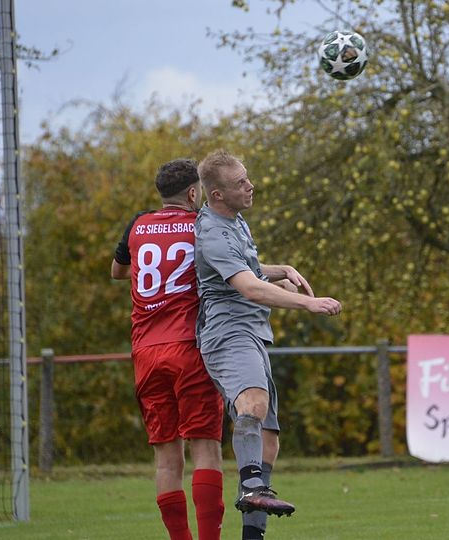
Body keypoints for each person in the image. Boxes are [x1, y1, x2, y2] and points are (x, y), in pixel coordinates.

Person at [193, 149, 342, 540]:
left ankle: (252, 529)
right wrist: (308, 303)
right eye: (240, 182)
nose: (251, 185)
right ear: (217, 195)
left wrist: (282, 270)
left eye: (247, 177)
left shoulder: (234, 219)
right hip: (228, 332)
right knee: (253, 403)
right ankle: (251, 488)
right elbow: (250, 287)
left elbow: (250, 269)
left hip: (253, 333)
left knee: (268, 441)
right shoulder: (213, 232)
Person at [111, 159, 225, 540]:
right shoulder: (201, 225)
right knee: (205, 448)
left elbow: (117, 270)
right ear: (193, 193)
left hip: (145, 352)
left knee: (166, 458)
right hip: (188, 347)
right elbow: (235, 269)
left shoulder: (138, 224)